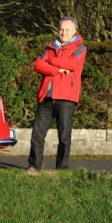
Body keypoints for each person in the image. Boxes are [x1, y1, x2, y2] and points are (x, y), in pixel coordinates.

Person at [28, 16, 86, 171]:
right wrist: (58, 70)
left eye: (67, 30)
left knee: (64, 137)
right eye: (61, 29)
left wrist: (51, 61)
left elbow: (72, 64)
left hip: (67, 98)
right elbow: (37, 64)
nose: (63, 32)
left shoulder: (80, 48)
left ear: (74, 31)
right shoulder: (50, 47)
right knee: (37, 135)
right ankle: (34, 166)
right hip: (46, 97)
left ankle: (62, 169)